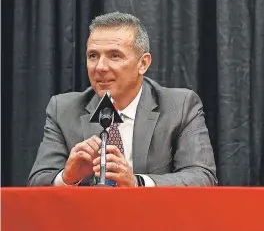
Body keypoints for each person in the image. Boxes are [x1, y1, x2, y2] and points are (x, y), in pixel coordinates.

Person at [28, 12, 218, 187]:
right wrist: (67, 177)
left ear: (143, 63)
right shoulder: (63, 110)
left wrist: (137, 183)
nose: (100, 67)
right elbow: (37, 182)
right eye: (93, 56)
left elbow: (202, 177)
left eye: (114, 56)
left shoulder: (180, 106)